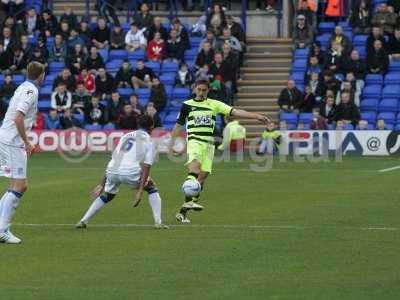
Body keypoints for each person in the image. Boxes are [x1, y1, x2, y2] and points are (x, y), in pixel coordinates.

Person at [170, 78, 270, 224]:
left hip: (209, 144)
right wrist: (171, 144)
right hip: (194, 141)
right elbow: (178, 126)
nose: (201, 92)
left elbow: (235, 111)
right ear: (194, 89)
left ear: (208, 90)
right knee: (194, 169)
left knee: (202, 177)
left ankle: (183, 212)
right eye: (199, 89)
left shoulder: (214, 104)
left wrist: (257, 116)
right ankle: (189, 201)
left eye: (204, 90)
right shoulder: (187, 105)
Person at [76, 115, 168, 229]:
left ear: (138, 125)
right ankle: (158, 223)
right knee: (151, 187)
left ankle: (83, 221)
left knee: (108, 195)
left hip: (112, 170)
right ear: (152, 126)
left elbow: (114, 159)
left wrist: (102, 184)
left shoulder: (125, 136)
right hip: (129, 171)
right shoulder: (149, 140)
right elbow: (147, 166)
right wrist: (140, 191)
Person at [0, 62, 45, 244]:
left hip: (7, 137)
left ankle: (1, 226)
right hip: (12, 141)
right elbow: (19, 117)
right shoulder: (31, 91)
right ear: (40, 75)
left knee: (15, 184)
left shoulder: (23, 87)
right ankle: (3, 230)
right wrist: (27, 142)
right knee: (20, 185)